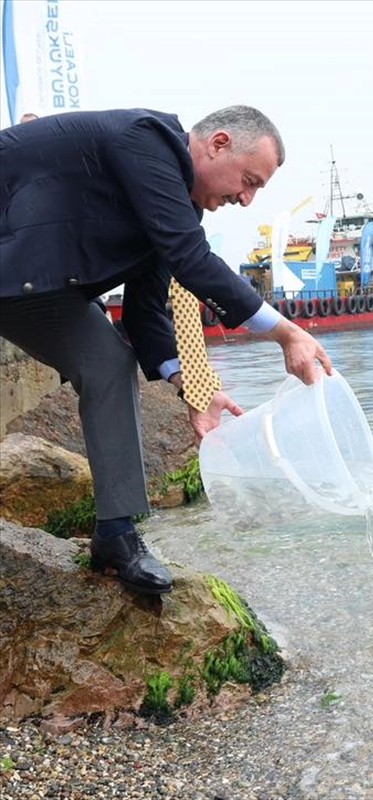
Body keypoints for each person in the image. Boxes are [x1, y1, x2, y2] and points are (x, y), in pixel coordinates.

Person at [0, 105, 333, 595]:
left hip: (28, 285)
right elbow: (191, 257)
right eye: (249, 180)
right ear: (218, 143)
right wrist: (287, 333)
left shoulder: (175, 207)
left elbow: (145, 313)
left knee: (110, 362)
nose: (246, 199)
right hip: (17, 259)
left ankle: (116, 534)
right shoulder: (147, 141)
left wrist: (193, 388)